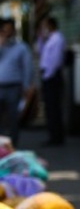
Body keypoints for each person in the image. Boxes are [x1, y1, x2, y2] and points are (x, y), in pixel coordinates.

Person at [0, 18, 34, 148]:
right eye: (4, 30)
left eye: (9, 29)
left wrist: (26, 86)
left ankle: (12, 144)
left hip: (13, 86)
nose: (7, 33)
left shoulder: (21, 48)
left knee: (13, 117)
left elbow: (27, 67)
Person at [35, 16, 66, 146]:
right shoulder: (48, 40)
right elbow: (39, 51)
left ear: (51, 25)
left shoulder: (58, 39)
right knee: (49, 107)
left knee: (54, 108)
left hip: (52, 76)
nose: (44, 28)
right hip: (47, 75)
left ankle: (57, 137)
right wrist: (40, 38)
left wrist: (48, 75)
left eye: (45, 26)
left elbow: (56, 60)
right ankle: (53, 135)